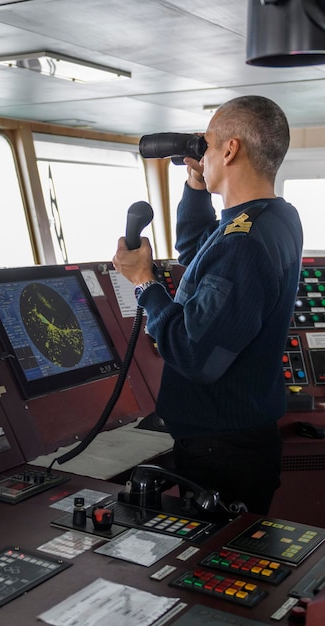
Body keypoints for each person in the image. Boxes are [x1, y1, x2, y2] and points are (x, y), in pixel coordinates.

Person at [112, 95, 303, 515]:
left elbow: (192, 353)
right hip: (237, 438)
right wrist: (197, 184)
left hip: (223, 450)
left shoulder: (244, 244)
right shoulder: (273, 217)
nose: (205, 152)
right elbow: (195, 250)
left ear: (231, 150)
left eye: (210, 144)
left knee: (218, 571)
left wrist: (144, 282)